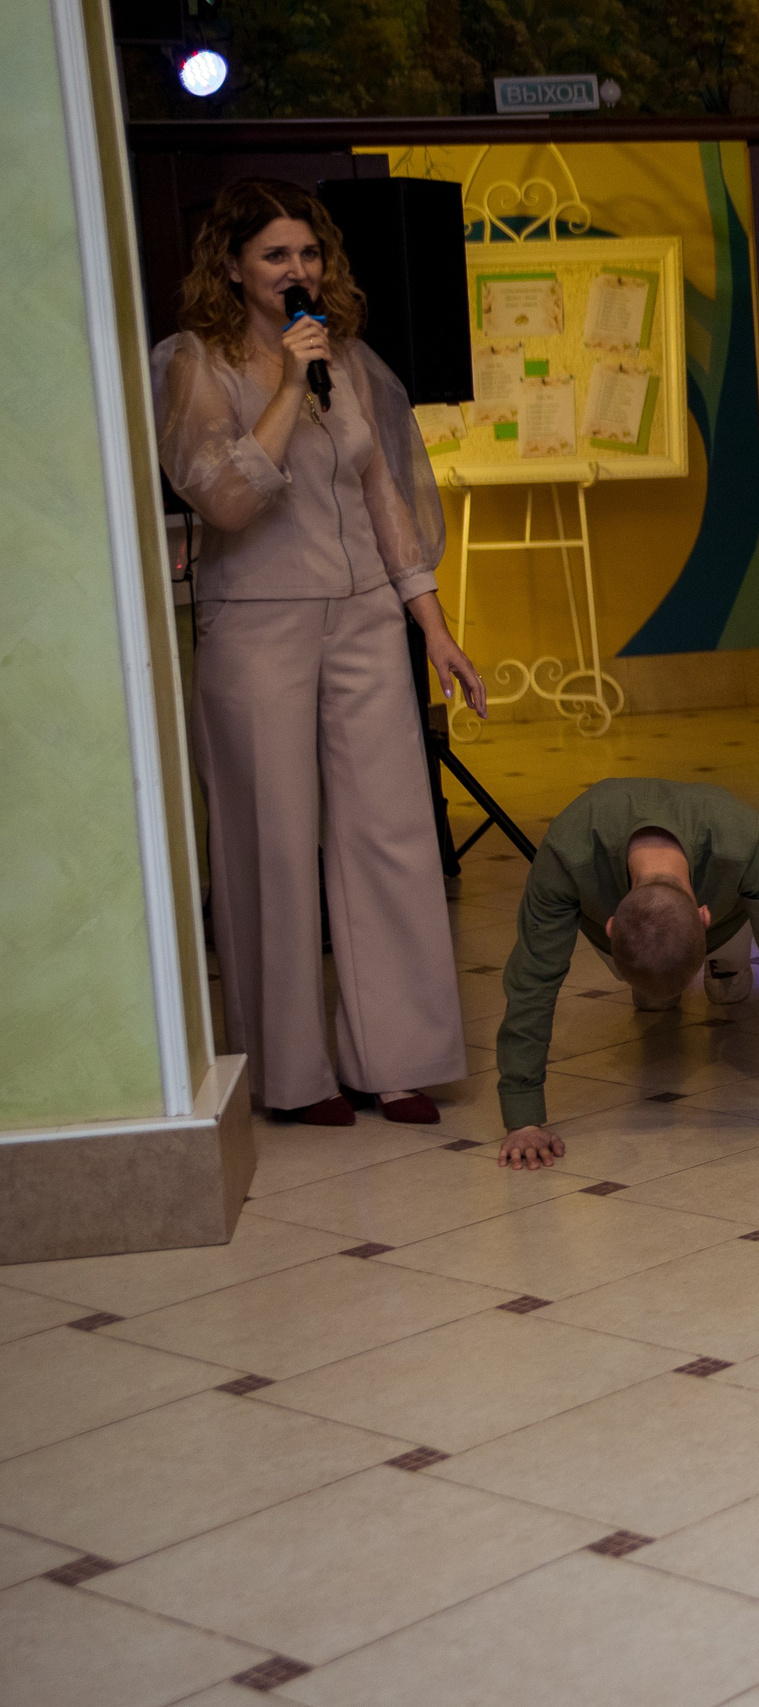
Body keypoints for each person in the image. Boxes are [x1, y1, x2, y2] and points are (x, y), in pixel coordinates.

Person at [153, 178, 486, 1127]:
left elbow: (384, 492)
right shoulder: (194, 364)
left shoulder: (349, 358)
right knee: (274, 840)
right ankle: (293, 1076)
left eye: (308, 254)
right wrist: (290, 384)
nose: (297, 271)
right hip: (257, 619)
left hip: (368, 618)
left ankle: (397, 1058)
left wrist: (433, 623)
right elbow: (222, 497)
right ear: (233, 266)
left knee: (388, 830)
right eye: (275, 255)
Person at [493, 780, 759, 1170]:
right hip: (634, 931)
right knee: (655, 990)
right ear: (611, 924)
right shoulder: (567, 851)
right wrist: (522, 1119)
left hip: (731, 920)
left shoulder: (745, 842)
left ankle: (722, 964)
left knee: (730, 985)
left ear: (705, 917)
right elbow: (533, 980)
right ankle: (656, 988)